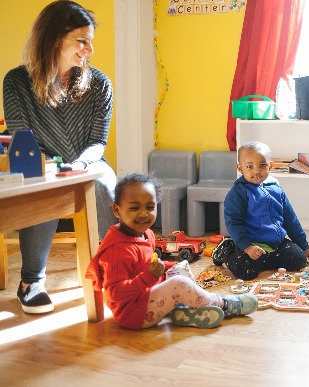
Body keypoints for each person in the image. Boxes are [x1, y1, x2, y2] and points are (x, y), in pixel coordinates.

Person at [3, 1, 118, 314]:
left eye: (90, 40)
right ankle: (30, 281)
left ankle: (114, 272)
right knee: (44, 191)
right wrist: (54, 169)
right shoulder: (16, 83)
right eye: (82, 41)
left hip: (89, 163)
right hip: (42, 167)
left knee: (106, 189)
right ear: (54, 39)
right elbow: (22, 140)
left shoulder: (100, 85)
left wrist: (81, 165)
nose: (89, 49)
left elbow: (98, 142)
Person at [85, 173, 259, 330]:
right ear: (117, 210)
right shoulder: (117, 250)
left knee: (179, 268)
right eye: (134, 208)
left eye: (150, 207)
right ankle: (224, 304)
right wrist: (149, 276)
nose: (144, 214)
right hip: (133, 314)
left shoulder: (147, 234)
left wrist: (168, 266)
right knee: (177, 283)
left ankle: (187, 310)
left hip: (147, 296)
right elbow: (115, 294)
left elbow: (145, 264)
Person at [213, 140, 309, 280]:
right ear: (240, 169)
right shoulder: (238, 193)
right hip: (250, 244)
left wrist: (304, 246)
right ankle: (226, 251)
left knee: (300, 260)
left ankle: (265, 261)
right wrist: (247, 247)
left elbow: (291, 220)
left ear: (270, 166)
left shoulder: (277, 190)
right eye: (249, 166)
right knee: (246, 272)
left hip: (276, 244)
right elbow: (233, 222)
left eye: (262, 165)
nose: (256, 171)